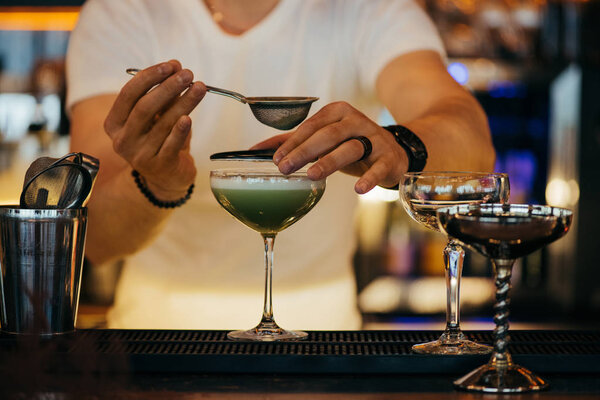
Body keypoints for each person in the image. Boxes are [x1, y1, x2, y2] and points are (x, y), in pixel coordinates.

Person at [66, 0, 495, 330]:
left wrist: (398, 148)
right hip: (157, 343)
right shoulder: (123, 12)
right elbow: (95, 239)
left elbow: (472, 142)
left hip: (321, 345)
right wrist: (157, 181)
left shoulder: (364, 9)